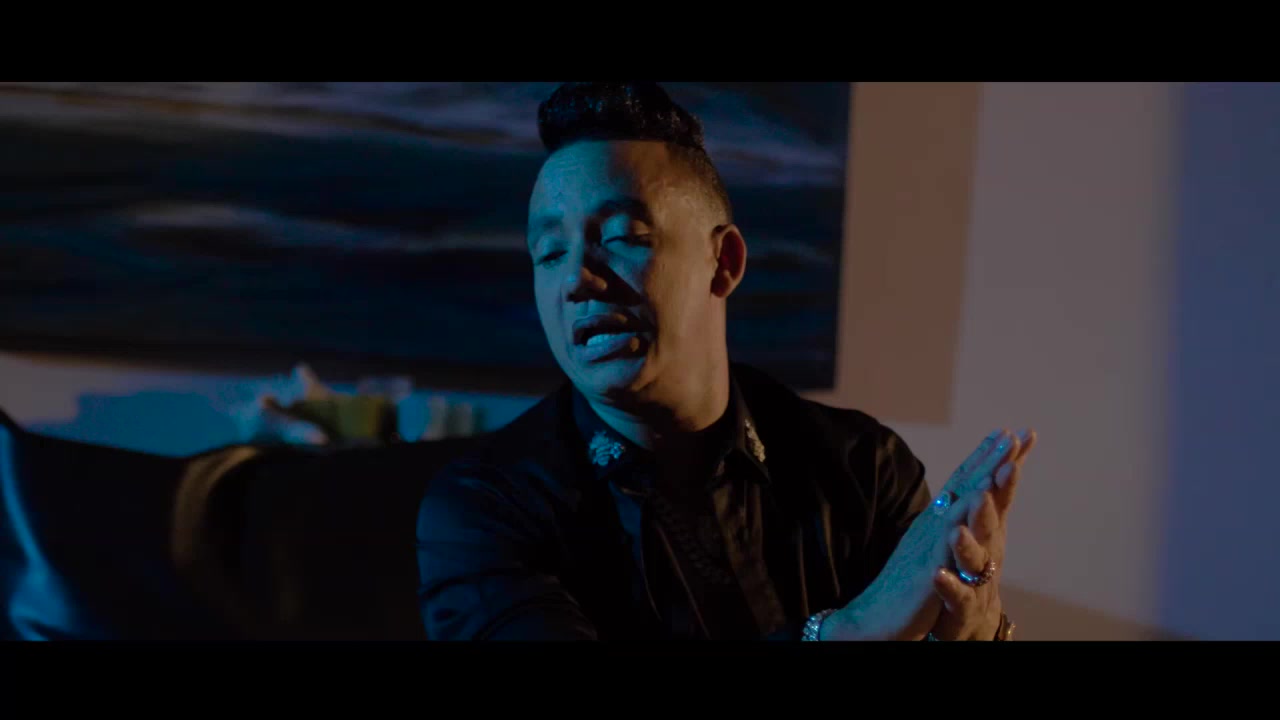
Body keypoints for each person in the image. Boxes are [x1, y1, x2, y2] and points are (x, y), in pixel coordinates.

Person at [415, 81, 1037, 641]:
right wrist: (843, 633)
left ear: (725, 263)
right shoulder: (484, 509)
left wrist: (977, 630)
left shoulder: (864, 470)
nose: (577, 279)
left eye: (623, 238)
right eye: (550, 253)